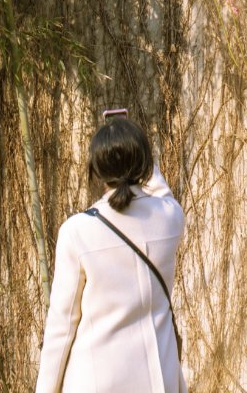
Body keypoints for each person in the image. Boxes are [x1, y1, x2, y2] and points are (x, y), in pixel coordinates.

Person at [35, 114, 186, 393]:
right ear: (144, 164)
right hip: (158, 380)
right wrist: (135, 146)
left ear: (96, 170)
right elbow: (162, 192)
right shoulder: (170, 218)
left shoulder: (77, 232)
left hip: (96, 382)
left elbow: (61, 328)